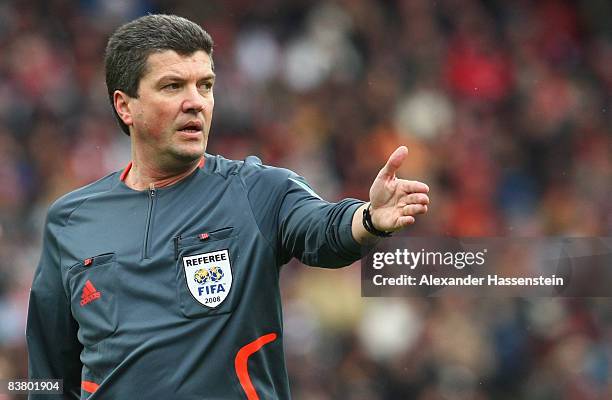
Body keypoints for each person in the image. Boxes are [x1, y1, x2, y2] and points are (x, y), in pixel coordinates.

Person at [26, 14, 429, 400]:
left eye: (205, 85)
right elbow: (48, 380)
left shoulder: (258, 191)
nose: (195, 102)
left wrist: (369, 220)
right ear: (124, 106)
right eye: (172, 86)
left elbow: (322, 229)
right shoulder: (70, 221)